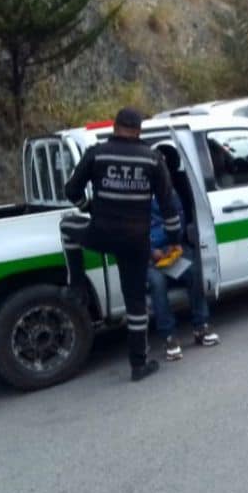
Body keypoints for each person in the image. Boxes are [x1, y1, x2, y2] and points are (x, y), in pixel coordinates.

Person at [60, 107, 180, 383]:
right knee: (136, 303)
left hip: (102, 233)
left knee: (67, 227)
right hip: (135, 242)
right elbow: (168, 206)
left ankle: (77, 285)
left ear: (114, 127)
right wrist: (174, 242)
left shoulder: (97, 153)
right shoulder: (152, 160)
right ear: (139, 130)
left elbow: (71, 191)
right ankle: (139, 365)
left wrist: (87, 207)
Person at [146, 145, 220, 362]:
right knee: (158, 285)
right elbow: (132, 231)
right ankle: (169, 336)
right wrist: (152, 252)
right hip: (148, 257)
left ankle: (201, 327)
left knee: (194, 272)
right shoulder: (138, 194)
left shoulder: (172, 191)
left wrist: (173, 245)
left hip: (170, 253)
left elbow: (178, 222)